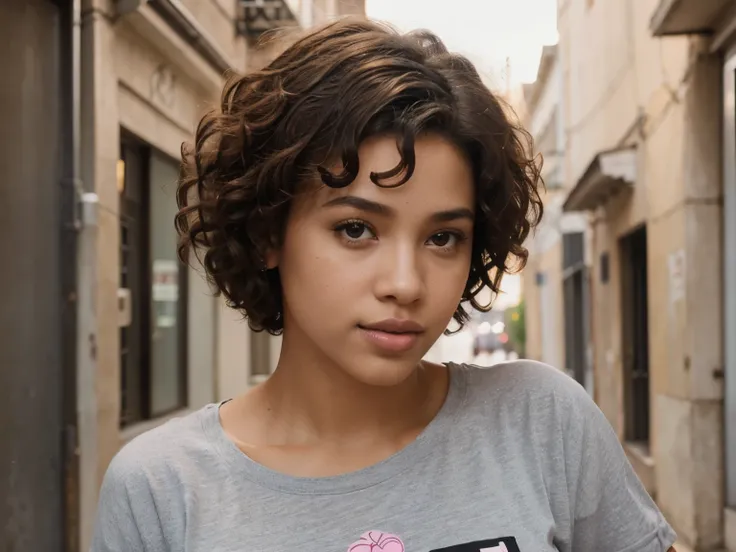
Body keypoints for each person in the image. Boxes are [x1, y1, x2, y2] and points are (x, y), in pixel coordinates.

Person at [91, 18, 678, 552]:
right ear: (270, 232)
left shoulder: (542, 423)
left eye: (443, 238)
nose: (405, 283)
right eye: (355, 228)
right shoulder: (161, 491)